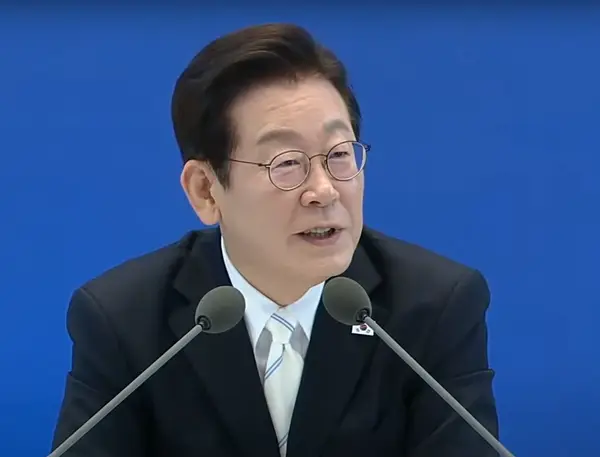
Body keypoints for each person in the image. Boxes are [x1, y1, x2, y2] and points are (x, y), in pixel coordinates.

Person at [51, 23, 499, 457]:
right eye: (286, 163)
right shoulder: (124, 321)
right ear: (206, 190)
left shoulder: (434, 307)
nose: (324, 190)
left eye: (340, 155)